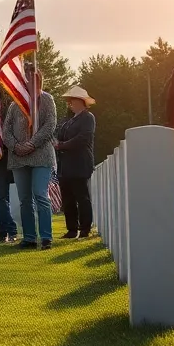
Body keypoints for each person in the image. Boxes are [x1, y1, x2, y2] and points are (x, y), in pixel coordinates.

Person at [2, 69, 58, 250]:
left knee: (40, 194)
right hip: (18, 157)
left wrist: (32, 143)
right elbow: (6, 130)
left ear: (39, 80)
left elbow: (50, 125)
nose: (28, 83)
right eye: (25, 79)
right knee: (24, 199)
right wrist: (16, 146)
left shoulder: (47, 99)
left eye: (31, 79)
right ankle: (29, 237)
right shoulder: (14, 104)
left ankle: (46, 237)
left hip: (41, 155)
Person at [54, 86, 97, 239]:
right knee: (68, 198)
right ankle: (71, 229)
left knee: (81, 196)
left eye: (71, 101)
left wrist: (62, 145)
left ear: (80, 101)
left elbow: (83, 138)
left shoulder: (88, 117)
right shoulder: (68, 121)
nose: (69, 104)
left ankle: (85, 228)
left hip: (79, 162)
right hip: (65, 164)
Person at [0, 143, 18, 244]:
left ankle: (9, 230)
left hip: (12, 157)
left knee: (1, 199)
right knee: (0, 199)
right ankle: (4, 232)